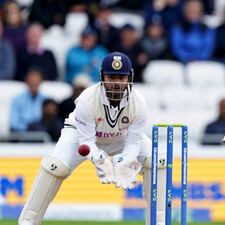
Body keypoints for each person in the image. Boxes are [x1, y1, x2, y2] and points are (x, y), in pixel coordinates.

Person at [19, 52, 167, 225]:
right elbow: (87, 142)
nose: (117, 83)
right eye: (111, 77)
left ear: (129, 78)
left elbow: (134, 141)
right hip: (80, 135)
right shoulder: (87, 100)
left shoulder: (139, 103)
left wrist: (125, 161)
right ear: (102, 76)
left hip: (122, 137)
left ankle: (159, 222)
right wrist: (99, 159)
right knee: (55, 167)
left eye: (121, 78)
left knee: (157, 161)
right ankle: (28, 221)